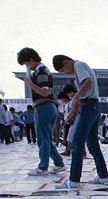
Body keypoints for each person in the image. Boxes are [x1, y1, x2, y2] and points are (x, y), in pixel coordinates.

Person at [53, 54, 108, 189]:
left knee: (77, 143)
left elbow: (87, 81)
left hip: (89, 106)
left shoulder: (78, 65)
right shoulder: (81, 66)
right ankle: (103, 176)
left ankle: (74, 180)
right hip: (93, 106)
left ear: (66, 62)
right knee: (92, 145)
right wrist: (74, 109)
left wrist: (77, 96)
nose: (65, 73)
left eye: (63, 70)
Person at [17, 47, 65, 176]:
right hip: (45, 106)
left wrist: (29, 84)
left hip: (44, 106)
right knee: (46, 139)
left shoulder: (42, 71)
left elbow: (44, 91)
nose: (27, 67)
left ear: (31, 59)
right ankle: (59, 163)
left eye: (26, 63)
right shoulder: (38, 72)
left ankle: (43, 166)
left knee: (43, 139)